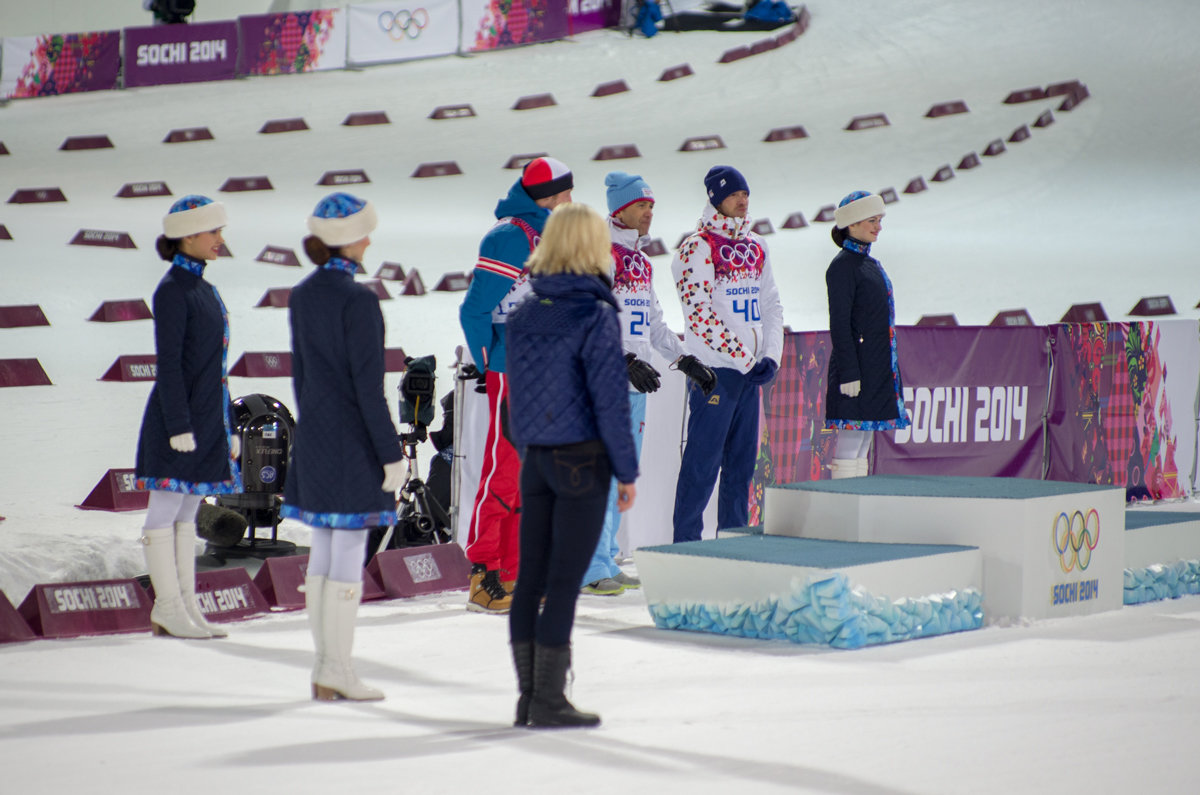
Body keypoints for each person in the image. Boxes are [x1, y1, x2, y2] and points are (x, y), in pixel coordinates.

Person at [505, 202, 639, 728]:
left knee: (532, 579)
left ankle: (528, 697)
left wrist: (531, 446)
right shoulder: (595, 313)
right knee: (562, 584)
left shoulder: (524, 310)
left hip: (535, 461)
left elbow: (515, 397)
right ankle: (550, 700)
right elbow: (610, 401)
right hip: (582, 460)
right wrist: (626, 471)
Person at [281, 193, 407, 701]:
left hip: (315, 434)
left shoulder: (303, 293)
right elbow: (367, 387)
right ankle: (337, 669)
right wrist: (390, 452)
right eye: (363, 233)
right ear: (346, 239)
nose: (370, 240)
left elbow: (303, 377)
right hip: (354, 443)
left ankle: (325, 667)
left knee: (325, 551)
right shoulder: (358, 300)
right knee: (348, 553)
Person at [582, 172, 717, 595]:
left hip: (635, 385)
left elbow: (654, 323)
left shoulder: (639, 260)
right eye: (642, 205)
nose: (649, 212)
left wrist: (684, 358)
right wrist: (622, 360)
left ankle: (605, 557)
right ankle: (589, 567)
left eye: (652, 206)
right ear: (621, 208)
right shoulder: (600, 254)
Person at [458, 156, 574, 613]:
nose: (572, 201)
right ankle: (483, 571)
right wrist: (492, 364)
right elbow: (474, 310)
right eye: (567, 193)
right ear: (551, 196)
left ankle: (515, 571)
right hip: (517, 369)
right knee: (503, 472)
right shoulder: (509, 237)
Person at [135, 194, 240, 639]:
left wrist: (225, 425)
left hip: (206, 419)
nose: (220, 239)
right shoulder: (172, 289)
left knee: (187, 512)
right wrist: (178, 425)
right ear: (188, 236)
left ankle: (186, 605)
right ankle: (167, 605)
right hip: (177, 422)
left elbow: (214, 369)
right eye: (213, 231)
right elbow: (171, 364)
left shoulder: (205, 288)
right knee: (164, 511)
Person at [670, 166, 784, 543]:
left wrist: (771, 355)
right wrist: (747, 360)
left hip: (750, 374)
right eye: (735, 194)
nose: (743, 200)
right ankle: (686, 547)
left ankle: (735, 546)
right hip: (715, 373)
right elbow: (699, 317)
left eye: (746, 193)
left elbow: (770, 303)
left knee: (741, 466)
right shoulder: (696, 248)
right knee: (701, 466)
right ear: (715, 198)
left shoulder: (756, 245)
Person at [823, 191, 910, 476]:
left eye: (879, 220)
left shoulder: (869, 264)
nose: (878, 226)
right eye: (872, 220)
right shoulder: (842, 267)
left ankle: (856, 507)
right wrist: (849, 372)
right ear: (852, 223)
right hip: (857, 370)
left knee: (864, 439)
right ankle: (841, 508)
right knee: (851, 436)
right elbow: (840, 323)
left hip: (874, 367)